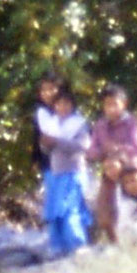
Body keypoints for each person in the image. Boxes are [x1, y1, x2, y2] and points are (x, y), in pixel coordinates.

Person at [86, 84, 137, 244]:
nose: (111, 109)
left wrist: (119, 151)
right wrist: (104, 153)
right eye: (107, 105)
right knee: (104, 213)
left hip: (130, 169)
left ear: (124, 104)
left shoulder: (131, 123)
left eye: (115, 104)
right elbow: (91, 150)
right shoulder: (100, 125)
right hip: (109, 170)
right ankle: (113, 240)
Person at [36, 88, 91, 254]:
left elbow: (82, 147)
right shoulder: (51, 124)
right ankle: (57, 247)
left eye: (67, 103)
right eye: (59, 103)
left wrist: (58, 142)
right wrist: (45, 144)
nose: (63, 107)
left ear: (73, 105)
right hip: (56, 173)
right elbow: (46, 150)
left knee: (70, 210)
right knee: (54, 212)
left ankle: (77, 244)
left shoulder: (79, 124)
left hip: (74, 172)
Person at [30, 74, 64, 180]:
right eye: (43, 90)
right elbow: (37, 135)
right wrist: (35, 158)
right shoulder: (40, 112)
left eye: (51, 89)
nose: (47, 93)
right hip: (48, 161)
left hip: (69, 161)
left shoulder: (69, 110)